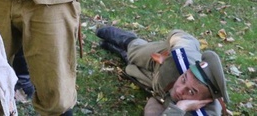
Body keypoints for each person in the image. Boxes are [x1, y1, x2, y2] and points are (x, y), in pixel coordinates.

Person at [96, 27, 229, 116]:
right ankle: (127, 40)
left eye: (191, 92)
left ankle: (122, 54)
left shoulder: (205, 113)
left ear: (206, 99)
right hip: (163, 61)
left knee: (130, 70)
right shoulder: (182, 57)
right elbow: (182, 36)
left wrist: (180, 109)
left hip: (159, 87)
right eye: (183, 79)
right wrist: (166, 53)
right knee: (134, 53)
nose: (179, 90)